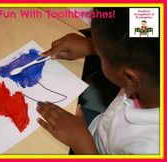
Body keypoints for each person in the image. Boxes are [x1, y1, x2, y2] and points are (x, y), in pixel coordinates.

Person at [36, 8, 160, 154]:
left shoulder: (150, 149)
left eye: (101, 56)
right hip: (100, 128)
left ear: (130, 78)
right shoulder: (149, 79)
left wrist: (81, 143)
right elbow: (147, 26)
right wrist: (93, 46)